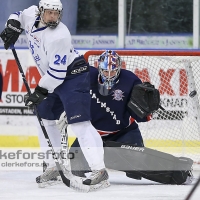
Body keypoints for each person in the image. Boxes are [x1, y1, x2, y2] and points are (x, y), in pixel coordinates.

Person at [0, 0, 109, 190]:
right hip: (53, 77)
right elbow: (17, 14)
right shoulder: (32, 14)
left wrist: (40, 91)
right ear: (41, 11)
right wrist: (12, 25)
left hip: (73, 75)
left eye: (56, 13)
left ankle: (99, 171)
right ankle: (54, 166)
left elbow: (57, 73)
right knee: (44, 117)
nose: (53, 17)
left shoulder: (59, 35)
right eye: (49, 13)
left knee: (79, 122)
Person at [58, 50, 193, 185]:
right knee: (76, 163)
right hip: (92, 134)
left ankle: (179, 170)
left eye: (113, 71)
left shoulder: (130, 80)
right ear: (99, 68)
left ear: (119, 68)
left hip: (124, 132)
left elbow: (139, 115)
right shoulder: (86, 75)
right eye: (106, 71)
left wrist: (145, 112)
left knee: (137, 164)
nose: (109, 75)